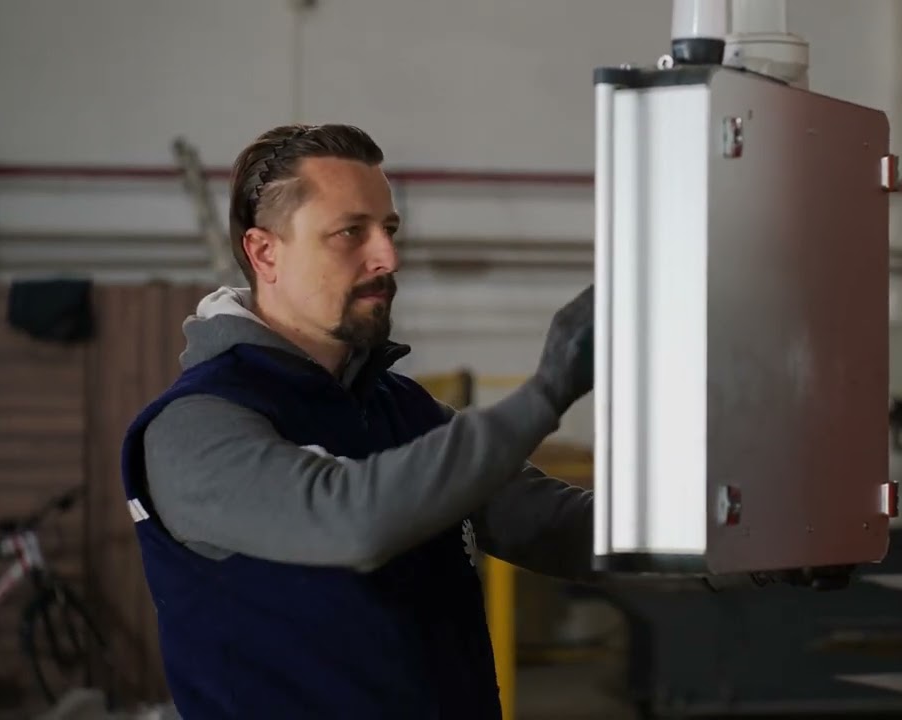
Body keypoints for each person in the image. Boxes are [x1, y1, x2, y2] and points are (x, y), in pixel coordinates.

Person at [119, 123, 596, 719]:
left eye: (389, 230)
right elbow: (352, 520)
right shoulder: (194, 427)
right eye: (351, 233)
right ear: (265, 252)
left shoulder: (402, 408)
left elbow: (550, 523)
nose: (388, 257)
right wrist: (549, 390)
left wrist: (726, 537)